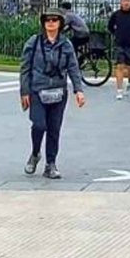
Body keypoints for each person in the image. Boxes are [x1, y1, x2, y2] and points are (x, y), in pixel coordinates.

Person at [20, 12, 86, 180]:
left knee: (54, 129)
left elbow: (73, 67)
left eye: (54, 20)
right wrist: (24, 91)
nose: (50, 23)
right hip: (37, 91)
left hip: (58, 91)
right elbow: (25, 68)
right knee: (39, 125)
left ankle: (51, 163)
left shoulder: (66, 45)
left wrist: (78, 90)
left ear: (60, 23)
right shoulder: (34, 42)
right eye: (47, 20)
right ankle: (35, 153)